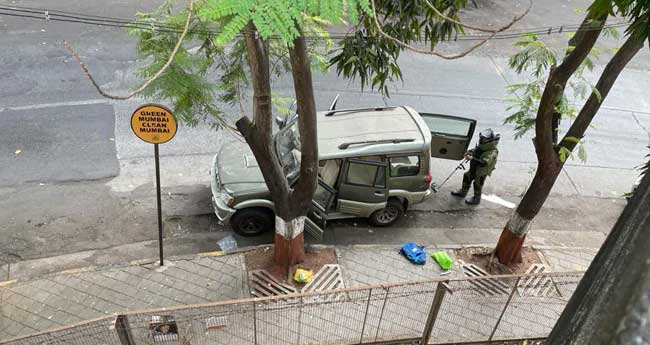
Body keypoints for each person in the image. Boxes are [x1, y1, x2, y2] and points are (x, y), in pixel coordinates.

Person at [451, 128, 500, 205]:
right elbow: (476, 150)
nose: (481, 140)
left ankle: (476, 198)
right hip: (474, 168)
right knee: (467, 177)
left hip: (481, 172)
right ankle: (463, 192)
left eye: (484, 140)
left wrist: (472, 158)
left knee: (477, 184)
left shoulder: (491, 152)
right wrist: (470, 151)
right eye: (482, 139)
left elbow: (484, 163)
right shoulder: (482, 148)